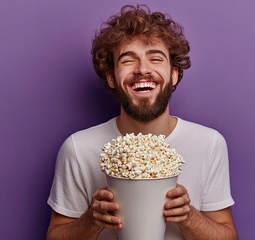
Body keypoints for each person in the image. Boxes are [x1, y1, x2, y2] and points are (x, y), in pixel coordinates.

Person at [46, 4, 237, 240]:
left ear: (174, 73)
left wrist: (189, 216)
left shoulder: (209, 144)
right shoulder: (78, 148)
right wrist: (91, 221)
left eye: (155, 58)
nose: (143, 69)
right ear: (111, 78)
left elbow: (228, 236)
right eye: (128, 60)